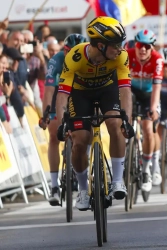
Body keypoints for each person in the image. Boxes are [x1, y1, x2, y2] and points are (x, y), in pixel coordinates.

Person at [56, 17, 133, 210]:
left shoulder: (121, 57)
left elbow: (125, 91)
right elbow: (63, 93)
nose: (120, 48)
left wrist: (127, 120)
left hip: (108, 90)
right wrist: (61, 123)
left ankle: (117, 180)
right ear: (100, 45)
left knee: (115, 124)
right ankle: (83, 190)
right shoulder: (74, 57)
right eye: (116, 45)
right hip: (81, 93)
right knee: (80, 140)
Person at [39, 34, 87, 206]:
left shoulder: (89, 60)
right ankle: (54, 186)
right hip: (59, 95)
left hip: (79, 95)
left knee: (81, 134)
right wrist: (45, 114)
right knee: (54, 134)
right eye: (68, 51)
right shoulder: (56, 61)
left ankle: (80, 165)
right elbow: (49, 90)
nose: (71, 55)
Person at [127, 29, 163, 191]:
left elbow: (157, 87)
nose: (142, 49)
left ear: (152, 48)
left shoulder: (157, 59)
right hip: (131, 93)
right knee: (123, 122)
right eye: (140, 45)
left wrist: (153, 109)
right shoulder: (126, 55)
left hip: (149, 95)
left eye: (147, 47)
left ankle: (147, 169)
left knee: (148, 129)